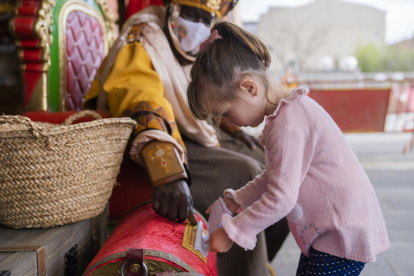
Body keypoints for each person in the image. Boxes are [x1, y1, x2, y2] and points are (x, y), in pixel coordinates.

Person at [83, 0, 289, 275]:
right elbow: (140, 99)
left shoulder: (187, 48)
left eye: (205, 19)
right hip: (152, 140)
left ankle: (257, 262)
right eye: (189, 13)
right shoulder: (143, 36)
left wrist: (234, 130)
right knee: (245, 172)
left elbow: (200, 106)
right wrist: (168, 173)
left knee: (272, 163)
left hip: (188, 133)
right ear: (170, 7)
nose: (196, 26)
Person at [187, 21, 390, 276]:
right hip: (332, 232)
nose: (229, 123)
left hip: (340, 232)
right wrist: (236, 199)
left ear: (249, 88)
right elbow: (275, 177)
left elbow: (281, 198)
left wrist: (233, 232)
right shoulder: (286, 116)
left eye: (225, 113)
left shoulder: (288, 124)